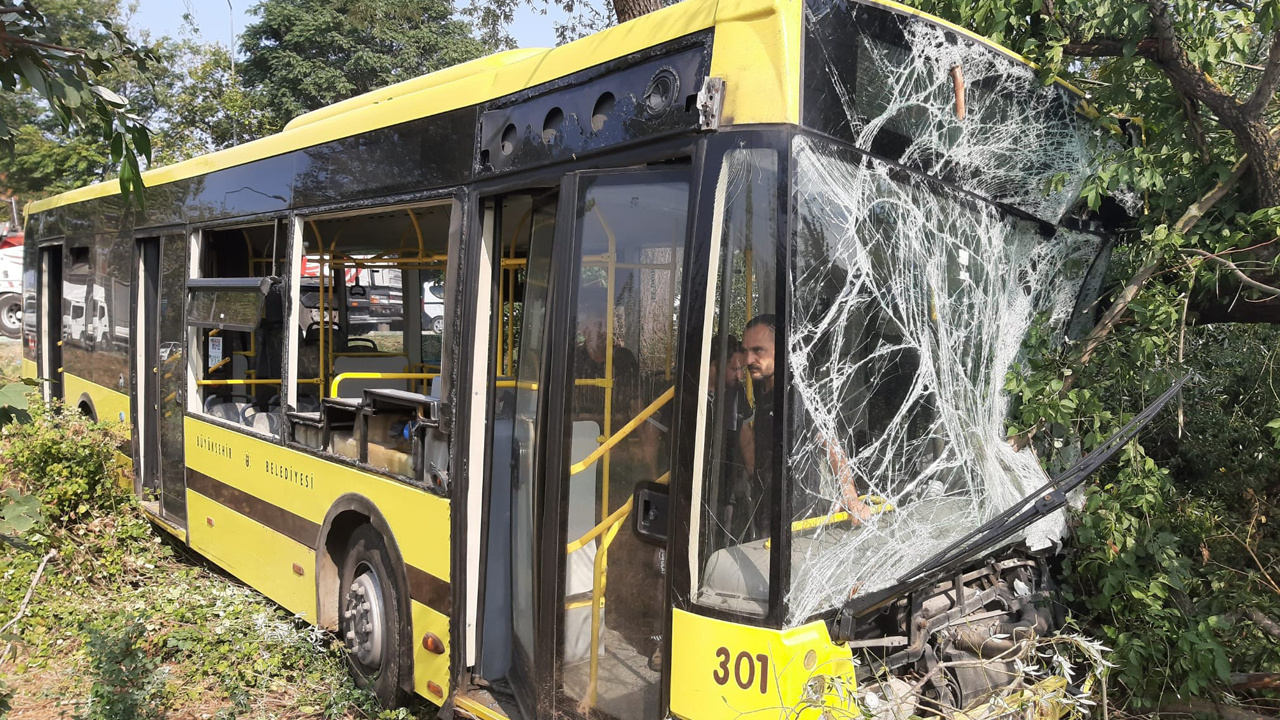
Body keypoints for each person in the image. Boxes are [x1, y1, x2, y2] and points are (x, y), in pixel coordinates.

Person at [737, 314, 869, 534]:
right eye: (745, 351)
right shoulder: (763, 388)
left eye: (758, 350)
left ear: (781, 349)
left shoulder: (797, 394)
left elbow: (830, 444)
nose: (748, 360)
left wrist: (850, 497)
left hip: (797, 520)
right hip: (766, 508)